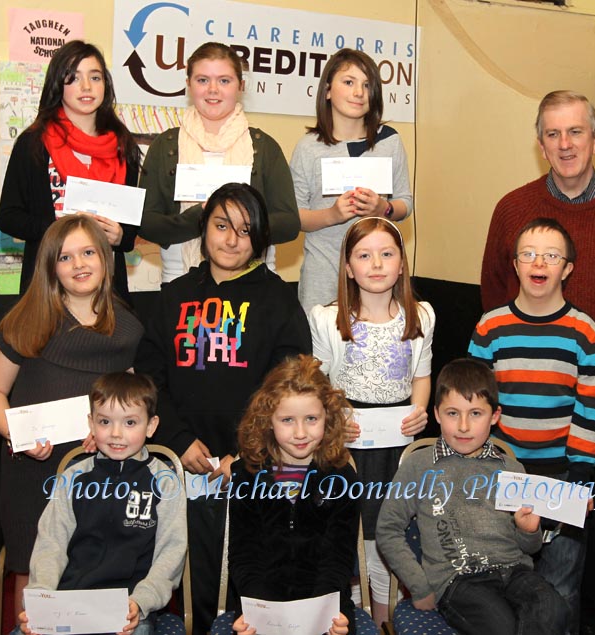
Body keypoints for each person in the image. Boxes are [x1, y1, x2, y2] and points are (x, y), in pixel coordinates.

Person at [479, 90, 595, 634]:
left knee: (586, 516)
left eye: (575, 132)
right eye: (553, 134)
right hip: (523, 400)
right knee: (515, 513)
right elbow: (492, 289)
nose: (565, 144)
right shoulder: (512, 208)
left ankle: (586, 616)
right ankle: (518, 615)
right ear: (540, 144)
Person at [136, 182, 312, 634]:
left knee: (249, 586)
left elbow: (286, 389)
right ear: (204, 228)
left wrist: (248, 451)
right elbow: (149, 378)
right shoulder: (173, 296)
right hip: (184, 465)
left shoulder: (278, 300)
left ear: (260, 240)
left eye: (245, 230)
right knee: (193, 583)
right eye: (221, 225)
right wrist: (175, 438)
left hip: (252, 467)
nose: (231, 239)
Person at [0, 215, 144, 632]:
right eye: (65, 257)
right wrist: (20, 435)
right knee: (34, 571)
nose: (79, 263)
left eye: (88, 252)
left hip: (99, 472)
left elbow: (132, 401)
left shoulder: (127, 327)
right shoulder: (28, 320)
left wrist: (114, 430)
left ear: (105, 258)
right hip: (33, 473)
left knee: (99, 566)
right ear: (50, 266)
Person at [469, 217, 595, 632]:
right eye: (528, 253)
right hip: (502, 473)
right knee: (503, 580)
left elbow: (592, 410)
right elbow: (476, 405)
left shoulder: (586, 334)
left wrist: (579, 478)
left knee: (561, 585)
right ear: (515, 264)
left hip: (563, 477)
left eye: (551, 255)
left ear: (567, 268)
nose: (538, 262)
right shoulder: (489, 328)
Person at [376, 358, 569, 635]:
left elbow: (530, 548)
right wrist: (419, 586)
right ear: (438, 414)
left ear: (494, 416)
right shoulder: (419, 466)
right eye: (453, 413)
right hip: (459, 581)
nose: (463, 426)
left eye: (475, 414)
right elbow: (388, 528)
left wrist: (529, 530)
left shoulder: (512, 470)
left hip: (516, 572)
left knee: (552, 608)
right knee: (501, 626)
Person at [309, 216, 434, 625]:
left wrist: (419, 411)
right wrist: (334, 419)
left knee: (387, 535)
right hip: (346, 443)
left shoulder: (422, 315)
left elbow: (421, 374)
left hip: (396, 444)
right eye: (364, 255)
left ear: (402, 263)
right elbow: (318, 381)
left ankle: (382, 620)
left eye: (387, 254)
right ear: (348, 267)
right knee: (343, 531)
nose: (376, 264)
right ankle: (345, 616)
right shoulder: (326, 319)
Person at [17, 372, 187, 635]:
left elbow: (171, 553)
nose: (116, 433)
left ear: (151, 426)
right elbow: (51, 543)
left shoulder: (165, 483)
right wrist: (42, 598)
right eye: (105, 421)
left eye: (130, 422)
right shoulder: (73, 477)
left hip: (129, 607)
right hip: (70, 601)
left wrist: (141, 601)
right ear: (91, 423)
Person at [138, 41, 299, 283]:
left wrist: (240, 220)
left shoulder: (264, 147)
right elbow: (145, 222)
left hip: (255, 283)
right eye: (203, 80)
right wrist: (196, 219)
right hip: (181, 282)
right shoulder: (166, 145)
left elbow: (289, 223)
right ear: (188, 85)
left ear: (240, 86)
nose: (213, 89)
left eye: (224, 81)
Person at [0, 40, 141, 302]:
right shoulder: (34, 143)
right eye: (73, 77)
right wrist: (60, 229)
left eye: (95, 77)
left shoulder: (124, 146)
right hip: (48, 289)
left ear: (105, 85)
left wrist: (121, 235)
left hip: (107, 290)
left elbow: (130, 231)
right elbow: (8, 217)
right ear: (57, 85)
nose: (86, 87)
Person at [228, 355, 359, 635]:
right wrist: (259, 612)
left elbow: (338, 559)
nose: (300, 433)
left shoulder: (343, 478)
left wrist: (321, 615)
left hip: (326, 604)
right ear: (268, 420)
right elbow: (244, 555)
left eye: (311, 419)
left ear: (328, 418)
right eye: (287, 420)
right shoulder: (246, 475)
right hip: (261, 604)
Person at [291, 48, 413, 313]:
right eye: (349, 82)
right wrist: (333, 215)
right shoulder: (308, 147)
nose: (359, 92)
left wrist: (384, 208)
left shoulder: (389, 141)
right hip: (324, 278)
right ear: (327, 90)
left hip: (377, 279)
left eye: (367, 85)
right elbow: (295, 216)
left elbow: (405, 203)